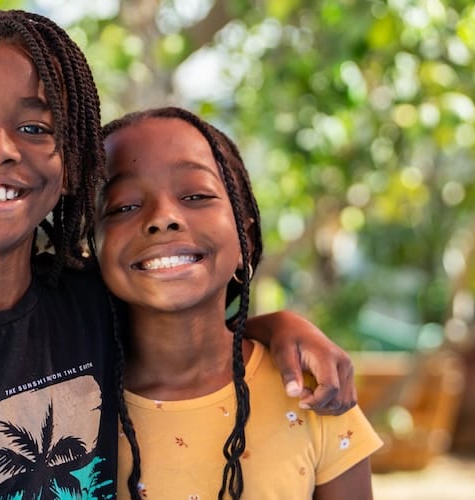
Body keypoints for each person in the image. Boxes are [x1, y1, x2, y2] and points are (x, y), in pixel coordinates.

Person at [0, 9, 357, 499]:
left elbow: (190, 322)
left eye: (33, 128)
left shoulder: (88, 303)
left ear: (72, 165)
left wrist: (283, 327)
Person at [94, 106, 383, 500]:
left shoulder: (313, 392)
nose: (163, 218)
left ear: (244, 236)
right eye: (124, 206)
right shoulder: (71, 400)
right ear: (89, 246)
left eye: (195, 195)